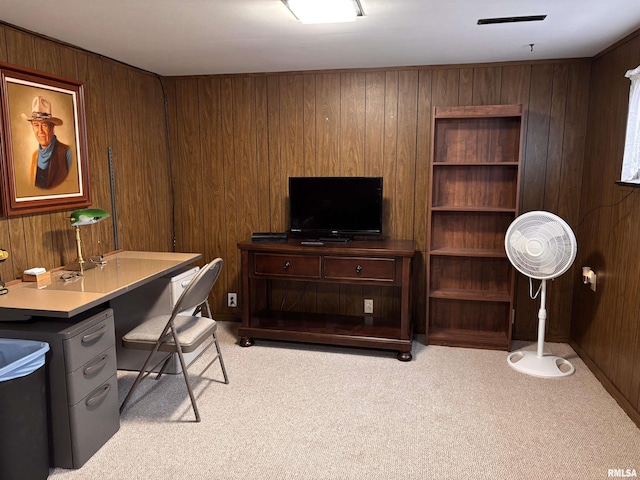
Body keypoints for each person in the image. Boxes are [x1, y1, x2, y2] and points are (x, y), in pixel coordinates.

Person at [21, 95, 72, 189]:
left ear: (52, 128)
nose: (40, 131)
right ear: (32, 128)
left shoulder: (67, 153)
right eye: (36, 125)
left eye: (44, 125)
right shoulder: (34, 156)